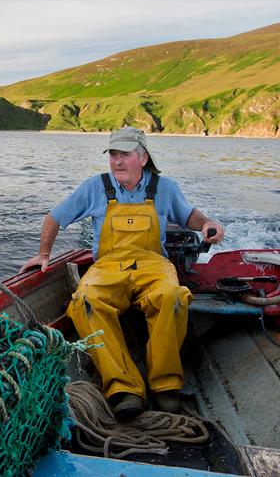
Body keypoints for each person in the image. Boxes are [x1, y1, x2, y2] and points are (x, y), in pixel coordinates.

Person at [20, 126, 224, 419]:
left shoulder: (164, 188)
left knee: (173, 296)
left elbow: (189, 215)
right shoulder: (95, 186)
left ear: (142, 157)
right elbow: (54, 217)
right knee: (85, 301)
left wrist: (206, 224)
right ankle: (123, 388)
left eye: (124, 154)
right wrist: (43, 255)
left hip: (154, 264)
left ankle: (165, 386)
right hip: (107, 267)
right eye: (113, 154)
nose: (117, 161)